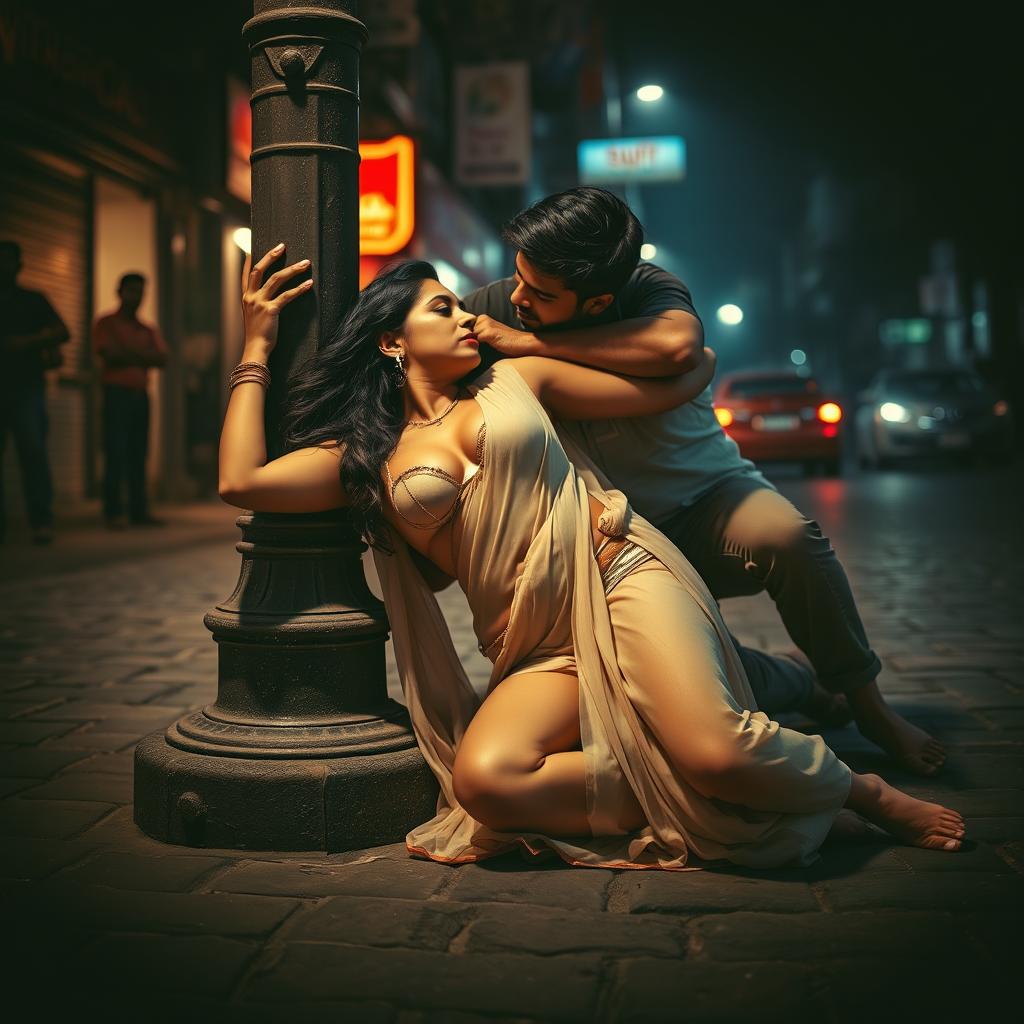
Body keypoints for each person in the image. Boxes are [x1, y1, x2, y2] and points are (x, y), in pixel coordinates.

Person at [216, 244, 964, 870]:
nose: (469, 314)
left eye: (459, 303)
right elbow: (241, 480)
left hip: (620, 576)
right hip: (535, 642)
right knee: (488, 782)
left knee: (716, 753)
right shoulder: (365, 457)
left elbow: (679, 373)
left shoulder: (520, 379)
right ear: (391, 341)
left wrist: (538, 342)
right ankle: (749, 787)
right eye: (441, 308)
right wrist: (254, 348)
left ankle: (857, 790)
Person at [460, 187, 945, 778]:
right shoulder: (502, 303)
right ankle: (798, 682)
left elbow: (678, 344)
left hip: (711, 501)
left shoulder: (646, 288)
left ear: (598, 302)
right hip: (616, 539)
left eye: (539, 295)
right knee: (657, 675)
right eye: (518, 280)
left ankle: (871, 711)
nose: (516, 300)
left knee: (788, 538)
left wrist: (531, 344)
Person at [0, 240, 70, 546]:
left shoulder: (31, 300)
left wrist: (26, 342)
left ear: (18, 264)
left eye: (9, 260)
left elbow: (62, 331)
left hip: (27, 386)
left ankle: (41, 520)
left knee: (33, 451)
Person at [92, 272, 167, 528]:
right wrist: (142, 355)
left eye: (141, 291)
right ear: (120, 291)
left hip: (139, 396)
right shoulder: (106, 323)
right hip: (116, 394)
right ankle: (112, 512)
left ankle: (138, 511)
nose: (137, 297)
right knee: (115, 451)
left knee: (138, 452)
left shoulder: (147, 329)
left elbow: (161, 358)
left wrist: (127, 353)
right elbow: (108, 355)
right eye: (132, 291)